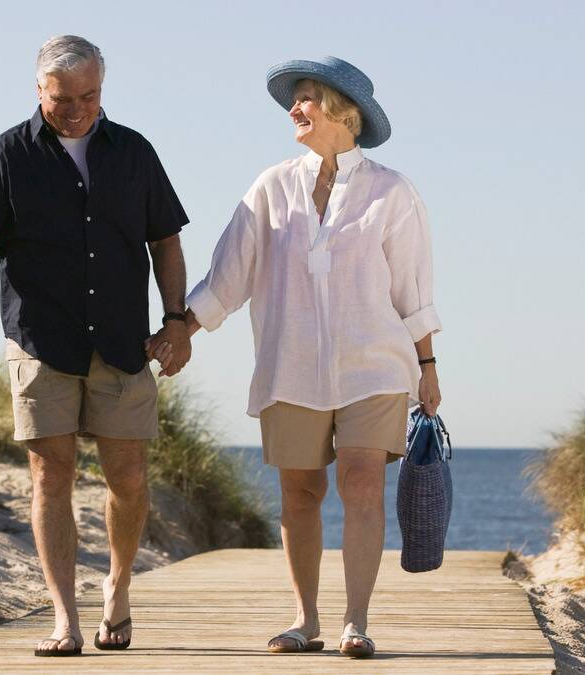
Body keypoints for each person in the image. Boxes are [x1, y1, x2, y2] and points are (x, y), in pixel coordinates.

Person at [149, 56, 442, 659]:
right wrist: (179, 333)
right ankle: (305, 620)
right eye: (295, 99)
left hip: (375, 366)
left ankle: (355, 621)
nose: (294, 109)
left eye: (306, 98)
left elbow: (413, 292)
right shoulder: (270, 186)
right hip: (289, 366)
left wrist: (428, 368)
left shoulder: (393, 192)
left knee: (362, 483)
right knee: (300, 494)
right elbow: (228, 277)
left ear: (346, 113)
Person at [0, 35, 191, 657]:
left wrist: (178, 321)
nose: (78, 109)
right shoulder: (4, 156)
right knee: (50, 474)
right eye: (63, 98)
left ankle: (119, 587)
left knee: (127, 477)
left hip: (123, 343)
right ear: (38, 91)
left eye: (91, 95)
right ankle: (63, 619)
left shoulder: (134, 152)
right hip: (40, 341)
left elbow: (166, 243)